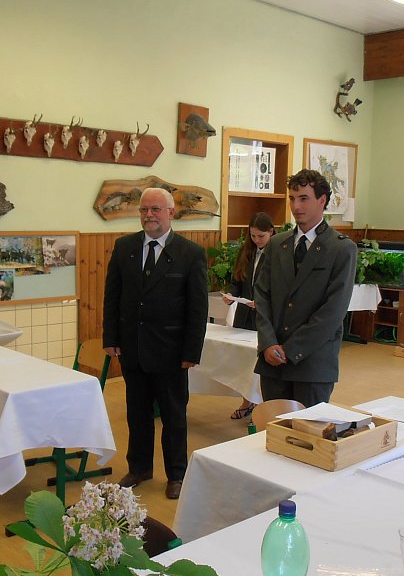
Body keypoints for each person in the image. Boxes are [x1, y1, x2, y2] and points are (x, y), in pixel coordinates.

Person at [103, 187, 209, 499]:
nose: (149, 215)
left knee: (174, 418)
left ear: (171, 213)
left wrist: (191, 351)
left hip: (171, 352)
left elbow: (198, 308)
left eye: (155, 209)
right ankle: (139, 468)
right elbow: (112, 297)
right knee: (137, 415)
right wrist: (111, 337)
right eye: (144, 210)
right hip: (133, 348)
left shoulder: (190, 253)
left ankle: (176, 474)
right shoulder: (124, 247)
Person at [253, 169, 357, 406]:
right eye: (292, 198)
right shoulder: (277, 244)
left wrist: (291, 349)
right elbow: (262, 295)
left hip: (313, 363)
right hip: (273, 361)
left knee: (308, 428)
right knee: (274, 425)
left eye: (303, 198)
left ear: (322, 200)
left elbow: (333, 311)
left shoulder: (341, 249)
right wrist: (268, 343)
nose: (296, 206)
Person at [223, 211, 276, 420]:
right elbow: (237, 280)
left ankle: (259, 404)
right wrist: (231, 295)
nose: (256, 240)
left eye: (261, 236)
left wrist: (262, 303)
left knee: (260, 361)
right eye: (253, 236)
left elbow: (279, 288)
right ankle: (248, 401)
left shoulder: (277, 253)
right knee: (244, 362)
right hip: (244, 314)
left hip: (265, 316)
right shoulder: (247, 251)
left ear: (271, 232)